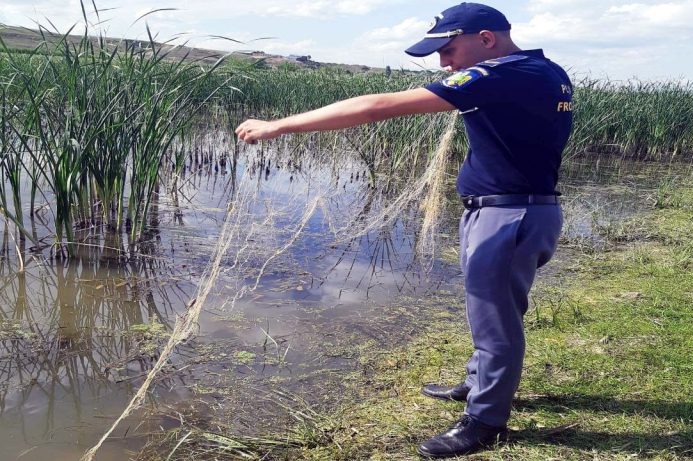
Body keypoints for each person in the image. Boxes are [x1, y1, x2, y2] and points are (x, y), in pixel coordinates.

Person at [236, 2, 573, 458]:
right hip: (511, 211)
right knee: (489, 309)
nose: (444, 63)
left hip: (509, 216)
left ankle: (485, 421)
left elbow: (377, 106)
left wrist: (280, 125)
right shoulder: (544, 69)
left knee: (497, 321)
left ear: (487, 39)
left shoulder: (500, 73)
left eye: (449, 50)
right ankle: (477, 384)